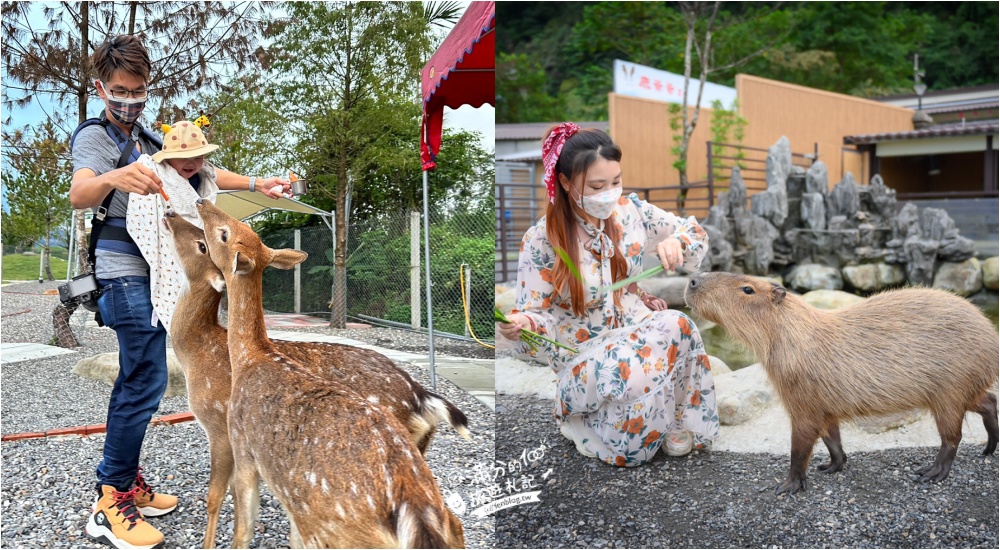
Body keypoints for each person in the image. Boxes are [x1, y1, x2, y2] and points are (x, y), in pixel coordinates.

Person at [68, 35, 289, 549]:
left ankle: (126, 479)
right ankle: (110, 499)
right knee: (144, 376)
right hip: (121, 266)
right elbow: (80, 192)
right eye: (119, 91)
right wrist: (118, 176)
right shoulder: (96, 137)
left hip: (155, 269)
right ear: (102, 88)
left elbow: (204, 172)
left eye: (138, 90)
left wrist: (259, 184)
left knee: (145, 375)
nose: (128, 100)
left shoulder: (150, 136)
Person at [497, 122, 719, 468]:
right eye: (597, 186)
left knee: (680, 324)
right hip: (586, 353)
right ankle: (580, 418)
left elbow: (691, 230)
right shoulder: (541, 240)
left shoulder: (632, 212)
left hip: (635, 329)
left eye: (616, 181)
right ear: (567, 183)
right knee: (632, 424)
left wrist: (676, 241)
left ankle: (673, 420)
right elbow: (538, 315)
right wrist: (522, 323)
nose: (610, 193)